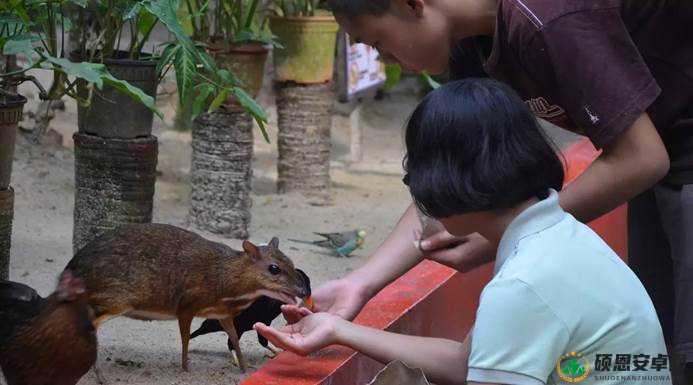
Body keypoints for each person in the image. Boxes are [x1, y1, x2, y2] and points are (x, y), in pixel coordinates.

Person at [308, 0, 693, 381]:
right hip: (663, 149)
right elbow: (450, 164)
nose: (384, 61)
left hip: (671, 154)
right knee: (668, 339)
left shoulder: (549, 20)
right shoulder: (469, 41)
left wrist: (498, 236)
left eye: (377, 43)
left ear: (411, 4)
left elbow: (641, 157)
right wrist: (360, 283)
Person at [255, 79, 671, 385]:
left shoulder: (525, 283)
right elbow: (467, 362)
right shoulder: (556, 238)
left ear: (446, 184)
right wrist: (338, 330)